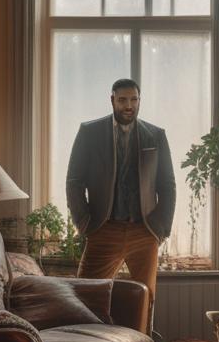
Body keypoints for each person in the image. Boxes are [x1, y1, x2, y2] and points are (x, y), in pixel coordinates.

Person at [65, 79, 175, 317]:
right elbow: (74, 181)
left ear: (139, 101)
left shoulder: (156, 135)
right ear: (112, 99)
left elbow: (167, 185)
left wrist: (160, 228)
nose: (129, 106)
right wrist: (84, 223)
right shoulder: (90, 132)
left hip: (144, 231)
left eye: (134, 100)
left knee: (146, 302)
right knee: (86, 298)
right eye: (123, 100)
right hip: (104, 230)